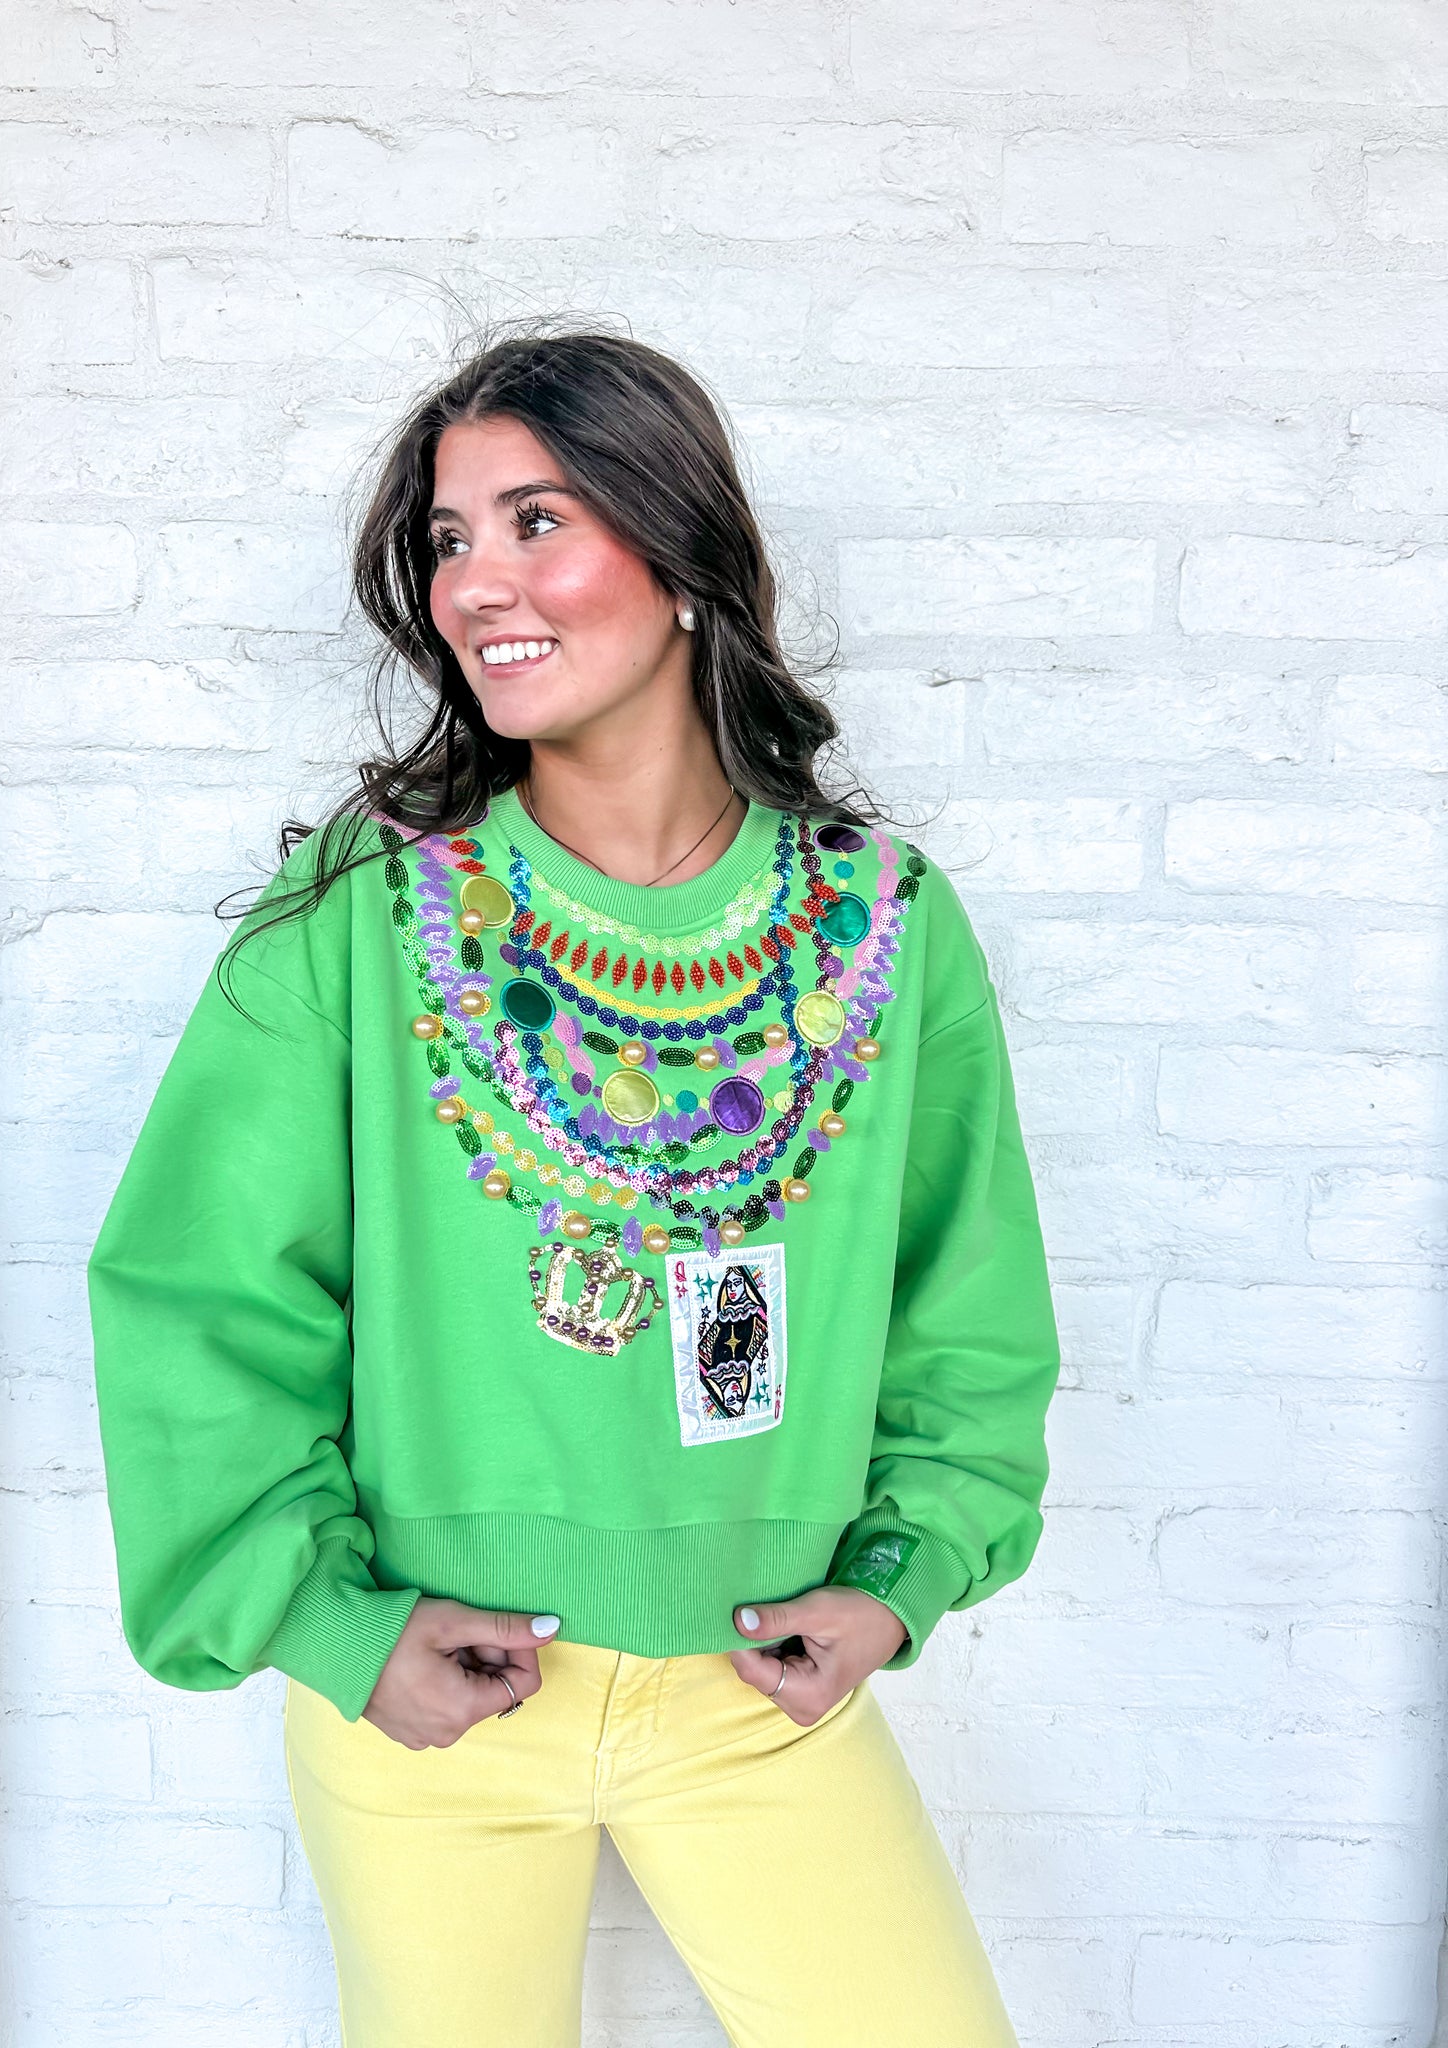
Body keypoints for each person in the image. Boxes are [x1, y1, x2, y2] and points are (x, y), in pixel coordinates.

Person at [87, 324, 1061, 2047]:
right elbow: (200, 1291)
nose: (478, 583)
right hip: (432, 1695)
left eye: (537, 521)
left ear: (680, 556)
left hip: (757, 1697)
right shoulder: (367, 911)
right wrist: (324, 1620)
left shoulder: (885, 924)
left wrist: (902, 1579)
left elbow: (963, 1302)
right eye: (449, 538)